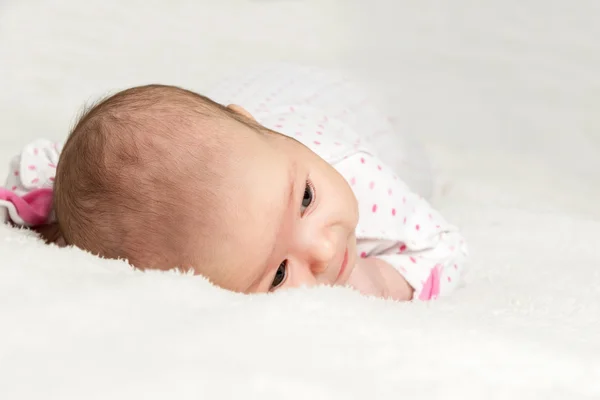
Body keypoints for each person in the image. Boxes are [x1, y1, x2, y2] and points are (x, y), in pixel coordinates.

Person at [0, 64, 468, 301]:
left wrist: (373, 281)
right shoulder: (262, 178)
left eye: (306, 198)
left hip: (342, 102)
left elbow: (442, 249)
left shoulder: (353, 170)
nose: (324, 251)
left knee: (424, 170)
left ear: (251, 123)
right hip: (248, 115)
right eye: (279, 274)